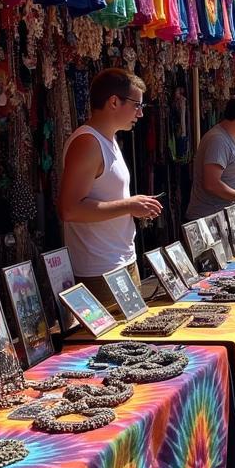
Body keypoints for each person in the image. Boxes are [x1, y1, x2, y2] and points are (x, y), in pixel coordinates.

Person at [59, 68, 162, 305]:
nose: (140, 114)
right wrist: (129, 205)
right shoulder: (88, 142)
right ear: (114, 102)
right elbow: (70, 210)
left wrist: (132, 205)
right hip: (100, 270)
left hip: (120, 262)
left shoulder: (108, 139)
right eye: (137, 105)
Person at [186, 94, 235, 220]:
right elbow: (212, 184)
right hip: (211, 219)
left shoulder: (233, 137)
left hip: (224, 217)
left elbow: (228, 172)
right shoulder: (218, 140)